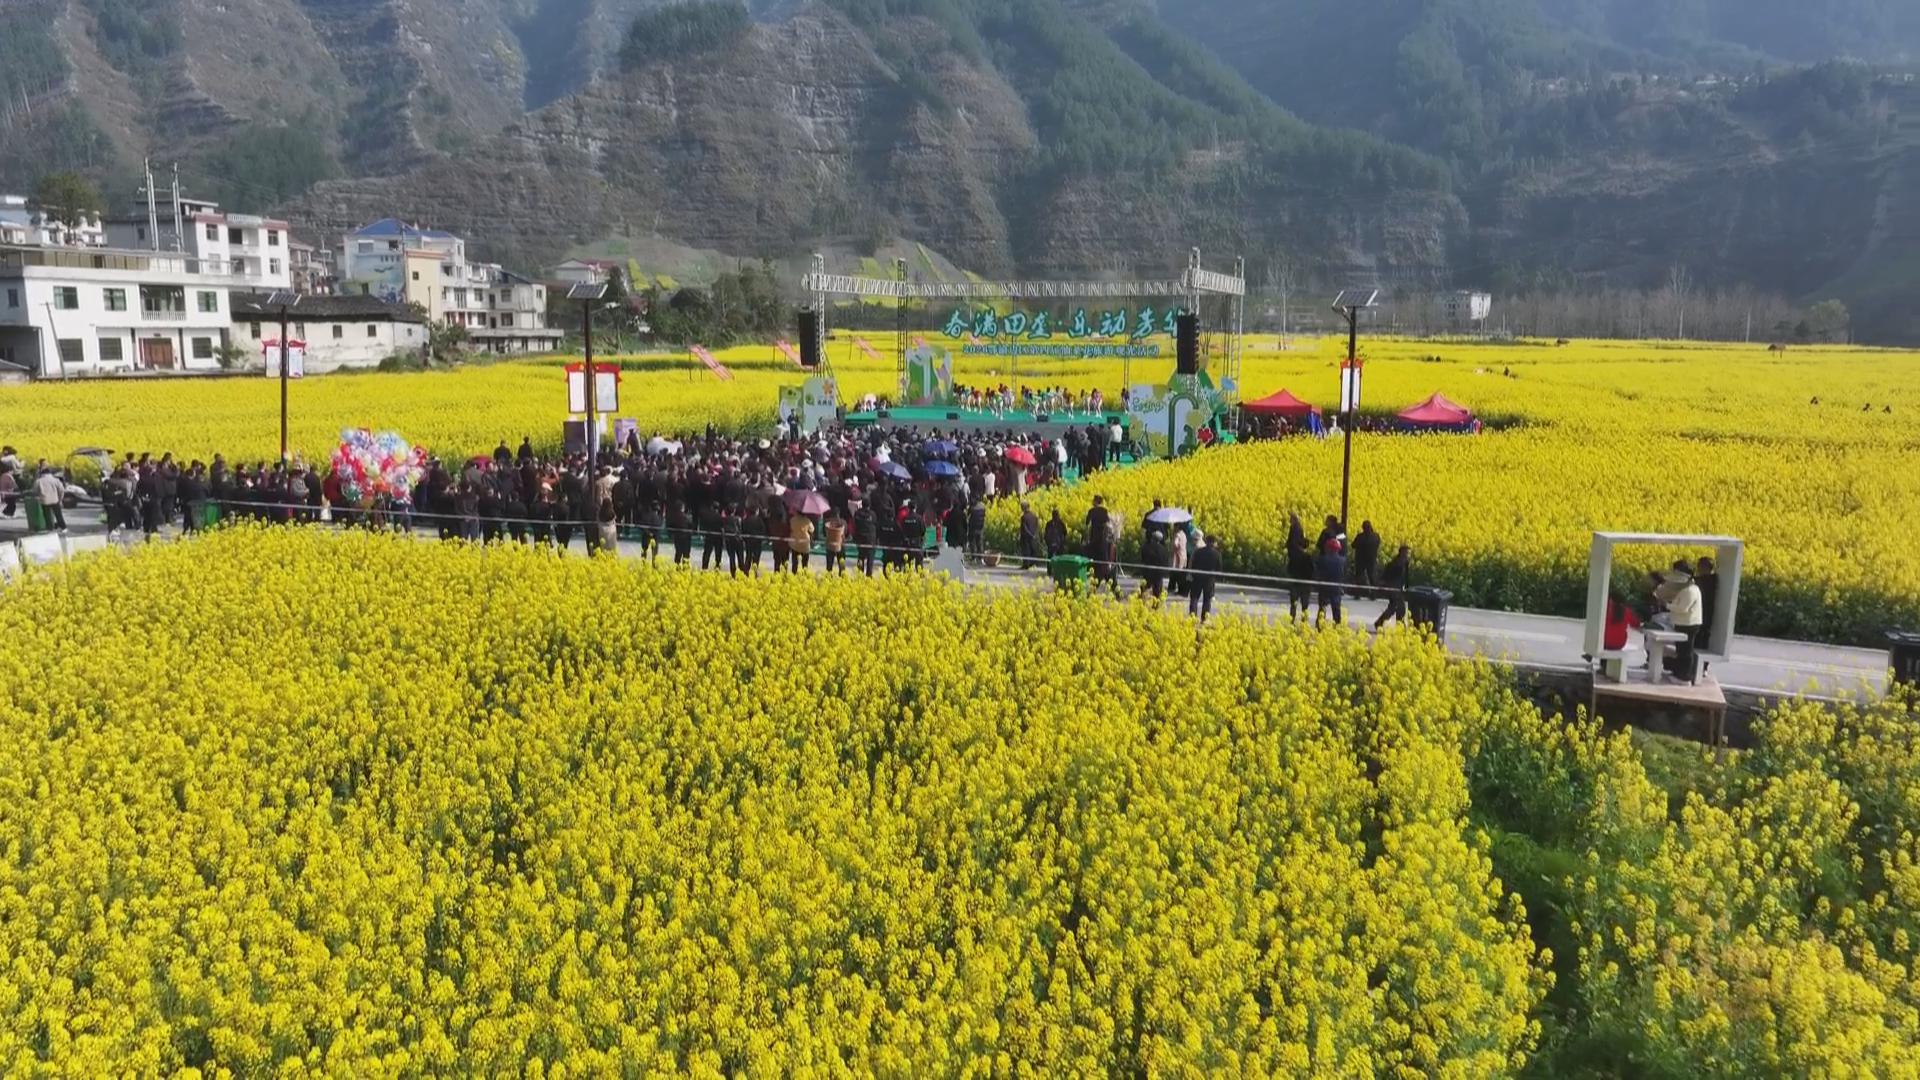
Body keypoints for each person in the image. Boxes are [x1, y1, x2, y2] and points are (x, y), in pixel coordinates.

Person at [1375, 545, 1412, 630]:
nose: (1408, 555)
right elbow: (1387, 574)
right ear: (1402, 553)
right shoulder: (1396, 563)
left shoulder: (1405, 562)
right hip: (1393, 588)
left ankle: (1379, 623)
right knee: (1400, 607)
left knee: (1393, 607)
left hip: (1398, 588)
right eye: (1407, 553)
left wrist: (1406, 587)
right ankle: (1400, 626)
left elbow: (1406, 577)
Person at [1188, 530, 1221, 623]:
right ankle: (1204, 618)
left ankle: (1192, 616)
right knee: (1207, 599)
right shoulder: (1217, 554)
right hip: (1209, 579)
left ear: (1206, 541)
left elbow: (1193, 563)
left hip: (1197, 577)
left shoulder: (1199, 551)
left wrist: (1193, 574)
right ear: (1214, 543)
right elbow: (1219, 567)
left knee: (1194, 597)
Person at [1286, 512, 1313, 620]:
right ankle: (1304, 622)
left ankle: (1292, 620)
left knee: (1294, 602)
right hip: (1306, 583)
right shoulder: (1308, 557)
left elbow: (1290, 568)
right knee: (1305, 604)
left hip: (1295, 581)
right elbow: (1312, 570)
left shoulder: (1294, 557)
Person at [1315, 538, 1348, 628]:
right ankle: (1337, 626)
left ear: (1328, 548)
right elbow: (1344, 574)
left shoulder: (1322, 559)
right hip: (1337, 588)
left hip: (1324, 587)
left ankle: (1319, 626)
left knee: (1322, 608)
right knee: (1336, 609)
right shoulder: (1343, 560)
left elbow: (1317, 572)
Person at [1693, 556, 1719, 651]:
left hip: (1703, 613)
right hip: (1703, 614)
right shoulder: (1713, 579)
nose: (1699, 569)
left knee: (1701, 638)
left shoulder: (1707, 581)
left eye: (1700, 567)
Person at [34, 467, 67, 532]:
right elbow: (61, 490)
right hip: (55, 499)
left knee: (47, 515)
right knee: (58, 514)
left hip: (44, 500)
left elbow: (35, 491)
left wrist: (39, 496)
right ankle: (63, 527)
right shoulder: (55, 480)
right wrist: (60, 499)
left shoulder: (39, 481)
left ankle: (49, 528)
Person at [1352, 521, 1381, 587]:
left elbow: (1353, 545)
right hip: (1372, 559)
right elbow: (1378, 544)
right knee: (1372, 577)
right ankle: (1373, 594)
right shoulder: (1376, 536)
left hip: (1361, 560)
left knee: (1359, 576)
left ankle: (1358, 593)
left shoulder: (1360, 537)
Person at [824, 509, 847, 574]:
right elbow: (846, 533)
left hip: (830, 545)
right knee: (841, 565)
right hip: (840, 545)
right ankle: (842, 579)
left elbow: (824, 533)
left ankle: (828, 578)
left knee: (829, 566)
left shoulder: (827, 522)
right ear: (839, 514)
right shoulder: (843, 522)